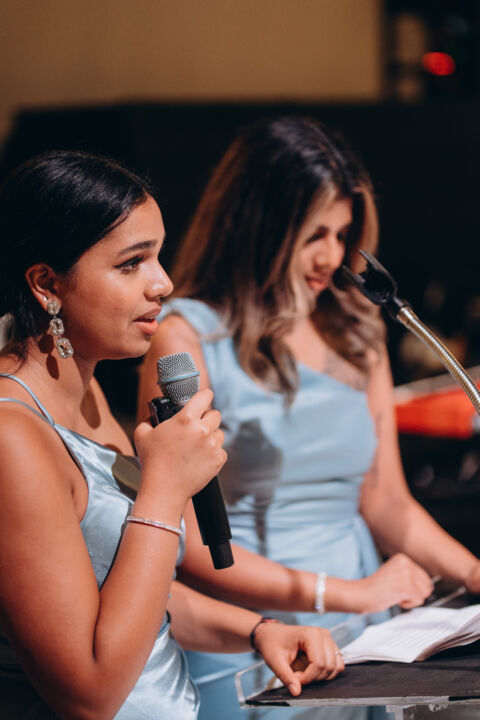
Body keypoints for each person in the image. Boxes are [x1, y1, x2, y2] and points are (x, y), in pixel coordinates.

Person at [137, 116, 480, 720]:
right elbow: (184, 538)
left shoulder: (358, 332)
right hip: (252, 636)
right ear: (260, 226)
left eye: (343, 235)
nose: (332, 256)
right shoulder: (186, 337)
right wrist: (345, 593)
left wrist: (474, 573)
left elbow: (386, 502)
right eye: (313, 233)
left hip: (363, 634)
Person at [0, 150, 346, 720]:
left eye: (158, 256)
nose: (163, 283)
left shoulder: (86, 392)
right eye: (131, 263)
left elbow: (129, 598)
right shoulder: (13, 435)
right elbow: (88, 692)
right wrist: (164, 487)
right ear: (47, 284)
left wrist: (257, 629)